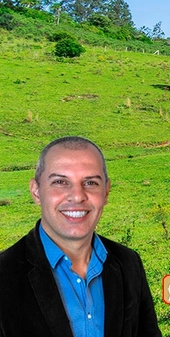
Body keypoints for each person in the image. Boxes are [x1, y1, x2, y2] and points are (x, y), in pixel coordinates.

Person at [0, 136, 161, 337]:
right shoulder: (4, 274)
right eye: (60, 182)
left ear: (106, 192)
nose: (77, 196)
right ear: (36, 191)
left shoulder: (129, 263)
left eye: (91, 182)